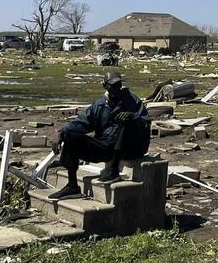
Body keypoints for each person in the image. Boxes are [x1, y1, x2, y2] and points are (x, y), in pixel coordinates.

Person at [49, 72, 151, 200]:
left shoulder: (132, 100)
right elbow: (81, 122)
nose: (115, 89)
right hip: (106, 147)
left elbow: (145, 123)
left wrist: (133, 117)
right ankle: (72, 186)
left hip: (131, 147)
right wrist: (61, 132)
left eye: (118, 85)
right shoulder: (100, 105)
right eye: (111, 86)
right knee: (71, 137)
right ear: (105, 86)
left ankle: (113, 170)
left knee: (126, 120)